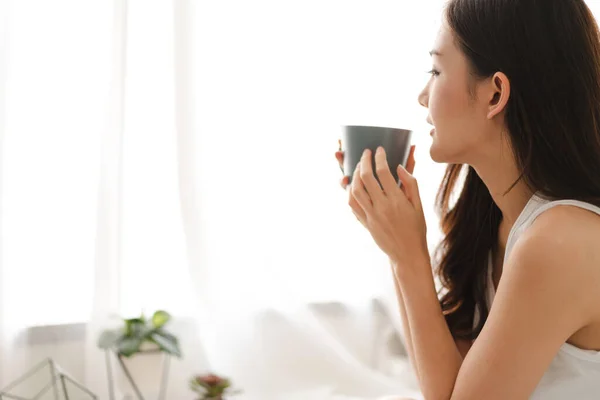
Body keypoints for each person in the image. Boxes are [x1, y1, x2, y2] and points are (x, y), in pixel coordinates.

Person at [335, 0, 600, 398]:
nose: (422, 96)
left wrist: (409, 257)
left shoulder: (558, 242)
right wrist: (395, 244)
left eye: (436, 71)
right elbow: (446, 386)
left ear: (495, 94)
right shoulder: (496, 223)